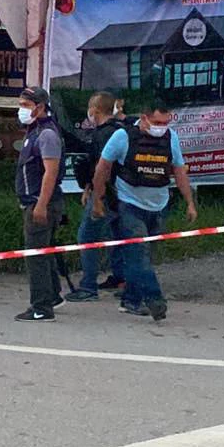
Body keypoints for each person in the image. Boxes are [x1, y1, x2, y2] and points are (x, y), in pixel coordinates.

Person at [92, 103, 197, 322]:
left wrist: (189, 202)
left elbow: (178, 170)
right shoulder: (123, 137)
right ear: (144, 118)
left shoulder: (171, 138)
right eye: (158, 123)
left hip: (159, 205)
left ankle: (131, 300)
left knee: (142, 257)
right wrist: (97, 201)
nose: (162, 127)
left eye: (166, 123)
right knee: (139, 255)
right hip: (128, 204)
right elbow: (102, 168)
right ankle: (155, 299)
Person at [66, 91, 127, 301]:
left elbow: (102, 169)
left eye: (90, 108)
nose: (89, 112)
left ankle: (88, 286)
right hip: (123, 194)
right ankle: (121, 278)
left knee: (87, 237)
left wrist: (96, 197)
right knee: (116, 236)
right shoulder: (121, 130)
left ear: (96, 110)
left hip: (105, 194)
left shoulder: (102, 134)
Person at [13, 86, 64, 322]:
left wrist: (41, 205)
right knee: (44, 252)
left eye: (26, 105)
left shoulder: (47, 135)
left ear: (40, 107)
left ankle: (41, 307)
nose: (21, 110)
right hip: (34, 201)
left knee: (36, 256)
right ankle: (52, 295)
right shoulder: (35, 131)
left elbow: (50, 173)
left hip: (41, 203)